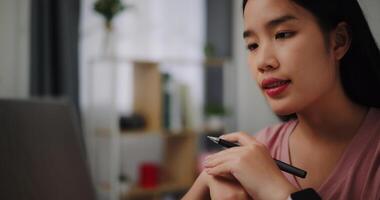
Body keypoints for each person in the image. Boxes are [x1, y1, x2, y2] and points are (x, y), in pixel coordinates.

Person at [182, 0, 380, 199]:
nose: (262, 62)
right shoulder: (260, 147)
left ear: (338, 40)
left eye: (282, 34)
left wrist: (275, 190)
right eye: (252, 45)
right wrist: (204, 182)